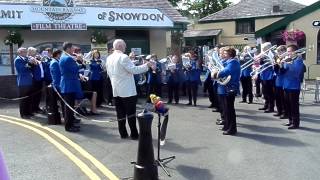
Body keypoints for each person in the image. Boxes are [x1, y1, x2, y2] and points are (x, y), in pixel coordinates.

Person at [105, 39, 154, 139]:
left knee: (120, 113)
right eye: (124, 46)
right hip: (127, 91)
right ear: (120, 46)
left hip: (116, 89)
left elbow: (109, 73)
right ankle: (134, 134)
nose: (125, 48)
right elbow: (134, 70)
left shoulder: (109, 58)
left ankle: (123, 133)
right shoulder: (123, 57)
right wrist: (147, 65)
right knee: (131, 114)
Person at [212, 47, 240, 135]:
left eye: (225, 53)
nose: (222, 55)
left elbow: (225, 72)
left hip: (230, 88)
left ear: (230, 54)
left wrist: (216, 73)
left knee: (229, 110)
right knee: (226, 109)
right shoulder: (228, 62)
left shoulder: (233, 62)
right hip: (226, 88)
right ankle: (227, 126)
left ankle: (232, 129)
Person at [59, 42, 83, 132]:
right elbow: (75, 69)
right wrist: (80, 61)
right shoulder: (67, 58)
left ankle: (71, 123)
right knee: (69, 107)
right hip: (68, 84)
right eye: (73, 48)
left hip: (68, 83)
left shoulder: (65, 57)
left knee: (70, 106)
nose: (74, 50)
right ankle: (68, 126)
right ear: (68, 48)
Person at [282, 44, 305, 129]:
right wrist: (279, 66)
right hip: (286, 85)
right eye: (287, 51)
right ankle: (290, 121)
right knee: (288, 105)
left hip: (294, 87)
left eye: (289, 51)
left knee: (294, 106)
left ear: (294, 52)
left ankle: (295, 123)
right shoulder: (287, 60)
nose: (287, 53)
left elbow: (296, 73)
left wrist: (288, 63)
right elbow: (282, 72)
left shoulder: (298, 61)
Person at [14, 47, 37, 118]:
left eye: (26, 51)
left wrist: (33, 63)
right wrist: (30, 63)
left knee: (29, 98)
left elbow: (31, 68)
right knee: (23, 99)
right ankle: (23, 114)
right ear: (20, 52)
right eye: (24, 51)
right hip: (23, 82)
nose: (26, 53)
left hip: (29, 81)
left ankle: (29, 112)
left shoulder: (26, 59)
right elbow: (22, 69)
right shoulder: (18, 60)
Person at [258, 42, 275, 113]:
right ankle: (266, 105)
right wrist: (260, 58)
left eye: (264, 48)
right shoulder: (264, 54)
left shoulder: (272, 54)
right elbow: (261, 64)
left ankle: (271, 107)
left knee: (270, 93)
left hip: (270, 76)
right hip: (263, 75)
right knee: (265, 92)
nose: (263, 49)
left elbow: (274, 64)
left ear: (268, 48)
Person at [28, 47, 45, 113]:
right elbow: (30, 67)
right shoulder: (29, 58)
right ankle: (33, 109)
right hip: (34, 79)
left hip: (40, 79)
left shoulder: (36, 58)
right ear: (30, 52)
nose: (36, 53)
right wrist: (33, 62)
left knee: (38, 95)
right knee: (34, 95)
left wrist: (40, 60)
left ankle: (36, 107)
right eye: (34, 51)